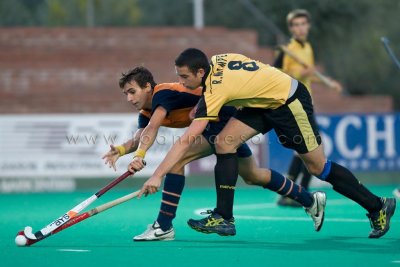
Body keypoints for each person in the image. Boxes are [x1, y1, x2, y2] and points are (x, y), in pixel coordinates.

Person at [137, 48, 396, 239]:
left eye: (184, 77)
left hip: (289, 102)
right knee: (225, 144)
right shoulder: (218, 59)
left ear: (200, 72)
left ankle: (377, 205)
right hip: (261, 103)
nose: (182, 83)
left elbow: (187, 139)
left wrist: (157, 175)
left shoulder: (214, 90)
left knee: (318, 168)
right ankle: (224, 217)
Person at [103, 66, 326, 241]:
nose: (129, 98)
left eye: (132, 92)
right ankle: (309, 199)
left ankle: (163, 226)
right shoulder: (146, 110)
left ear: (148, 87)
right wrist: (122, 150)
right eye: (125, 94)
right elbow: (141, 135)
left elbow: (152, 130)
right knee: (253, 175)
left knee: (177, 160)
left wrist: (140, 156)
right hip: (223, 122)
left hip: (220, 120)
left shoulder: (163, 94)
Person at [274, 9, 342, 207]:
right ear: (291, 28)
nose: (300, 28)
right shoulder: (287, 48)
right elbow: (279, 75)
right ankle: (300, 193)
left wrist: (328, 81)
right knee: (313, 149)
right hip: (294, 104)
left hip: (306, 103)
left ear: (308, 26)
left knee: (303, 151)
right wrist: (302, 72)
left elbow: (308, 75)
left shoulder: (308, 47)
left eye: (303, 24)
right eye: (295, 25)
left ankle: (292, 193)